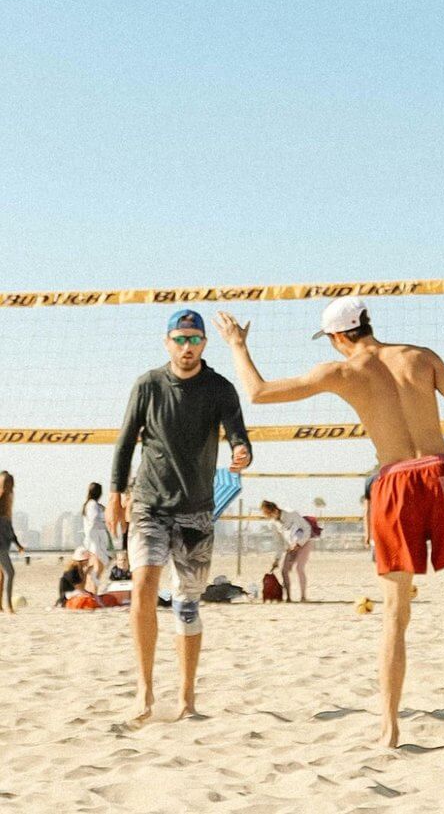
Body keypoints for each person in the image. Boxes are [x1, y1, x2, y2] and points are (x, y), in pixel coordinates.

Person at [214, 298, 444, 746]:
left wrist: (237, 345)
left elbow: (258, 392)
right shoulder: (419, 357)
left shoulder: (340, 372)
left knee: (395, 614)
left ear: (336, 338)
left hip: (395, 484)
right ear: (367, 324)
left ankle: (388, 726)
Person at [106, 309, 252, 725]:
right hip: (149, 503)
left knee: (187, 604)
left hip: (196, 510)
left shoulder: (219, 388)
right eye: (179, 339)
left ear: (204, 344)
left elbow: (238, 433)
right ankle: (144, 690)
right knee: (144, 584)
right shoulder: (148, 385)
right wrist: (116, 492)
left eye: (193, 340)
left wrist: (242, 452)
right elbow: (124, 442)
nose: (186, 347)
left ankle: (187, 697)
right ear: (166, 342)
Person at [259, 500, 313, 602]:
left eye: (269, 514)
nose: (269, 517)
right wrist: (277, 560)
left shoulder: (291, 513)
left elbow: (307, 528)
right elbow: (279, 544)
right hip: (291, 546)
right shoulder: (274, 524)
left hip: (305, 543)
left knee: (299, 568)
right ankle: (288, 598)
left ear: (274, 510)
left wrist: (299, 543)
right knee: (284, 571)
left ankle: (303, 597)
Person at [0, 471, 24, 614]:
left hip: (5, 544)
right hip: (0, 545)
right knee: (11, 573)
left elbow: (9, 527)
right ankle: (9, 606)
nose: (11, 486)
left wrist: (17, 544)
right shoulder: (1, 499)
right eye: (8, 482)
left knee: (3, 575)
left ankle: (2, 605)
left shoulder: (8, 501)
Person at [82, 482, 110, 592]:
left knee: (95, 567)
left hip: (94, 538)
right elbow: (94, 520)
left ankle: (91, 591)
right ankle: (93, 592)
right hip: (96, 539)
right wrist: (105, 521)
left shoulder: (91, 504)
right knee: (98, 567)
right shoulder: (92, 504)